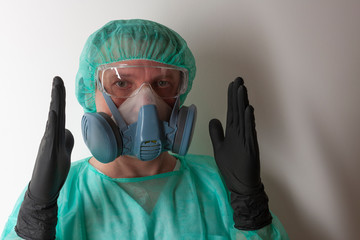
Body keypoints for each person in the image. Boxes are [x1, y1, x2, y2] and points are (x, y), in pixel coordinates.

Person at [1, 19, 289, 239]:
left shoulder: (221, 185)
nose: (145, 103)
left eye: (162, 83)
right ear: (93, 92)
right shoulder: (57, 194)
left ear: (180, 95)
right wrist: (37, 215)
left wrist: (249, 205)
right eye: (122, 84)